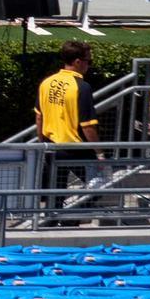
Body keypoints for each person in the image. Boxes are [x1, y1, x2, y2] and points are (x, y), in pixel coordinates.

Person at [35, 40, 100, 206]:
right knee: (99, 186)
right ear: (78, 62)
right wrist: (99, 153)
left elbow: (39, 117)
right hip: (76, 149)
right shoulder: (82, 87)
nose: (89, 65)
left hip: (51, 146)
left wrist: (42, 142)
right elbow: (88, 126)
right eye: (88, 61)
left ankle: (53, 222)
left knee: (55, 192)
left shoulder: (46, 83)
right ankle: (71, 220)